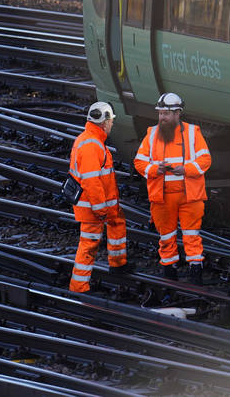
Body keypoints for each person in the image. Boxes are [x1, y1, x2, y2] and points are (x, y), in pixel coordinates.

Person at [133, 92, 211, 284]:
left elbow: (205, 160)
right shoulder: (151, 134)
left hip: (189, 196)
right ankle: (170, 275)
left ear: (178, 114)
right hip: (162, 197)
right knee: (166, 237)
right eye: (160, 114)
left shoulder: (193, 133)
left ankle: (195, 275)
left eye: (166, 114)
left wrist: (186, 169)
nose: (162, 118)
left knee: (191, 236)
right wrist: (154, 169)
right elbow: (139, 162)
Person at [68, 101, 128, 292]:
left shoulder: (92, 140)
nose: (112, 125)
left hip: (103, 204)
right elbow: (92, 183)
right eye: (111, 122)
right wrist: (101, 208)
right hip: (93, 207)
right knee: (89, 244)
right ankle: (79, 287)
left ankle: (118, 264)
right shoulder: (91, 146)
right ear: (104, 122)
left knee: (117, 222)